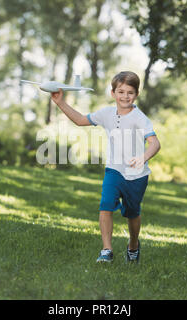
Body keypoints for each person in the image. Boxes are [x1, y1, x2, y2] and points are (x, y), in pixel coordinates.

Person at [51, 71, 161, 263]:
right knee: (106, 205)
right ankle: (106, 250)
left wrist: (143, 157)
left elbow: (155, 143)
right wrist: (60, 102)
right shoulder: (106, 114)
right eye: (121, 91)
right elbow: (80, 120)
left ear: (136, 94)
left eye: (130, 92)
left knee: (132, 213)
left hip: (137, 175)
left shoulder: (139, 118)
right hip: (114, 170)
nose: (125, 96)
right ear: (113, 93)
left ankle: (133, 245)